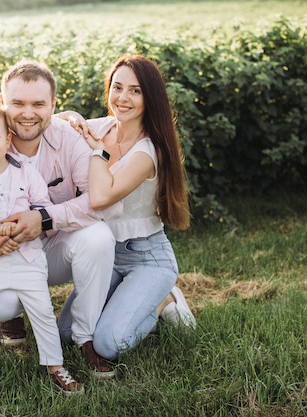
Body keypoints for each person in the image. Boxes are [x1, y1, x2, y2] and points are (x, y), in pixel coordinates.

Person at [0, 59, 120, 379]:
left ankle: (85, 337)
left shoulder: (68, 138)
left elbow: (98, 202)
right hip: (0, 254)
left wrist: (45, 218)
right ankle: (11, 314)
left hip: (52, 248)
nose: (28, 112)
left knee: (98, 237)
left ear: (53, 105)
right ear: (2, 103)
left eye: (38, 104)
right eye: (17, 103)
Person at [57, 54, 196, 362]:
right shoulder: (101, 127)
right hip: (107, 255)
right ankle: (125, 302)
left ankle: (164, 299)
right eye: (117, 87)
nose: (123, 97)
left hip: (147, 257)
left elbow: (100, 197)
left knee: (109, 344)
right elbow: (58, 123)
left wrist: (97, 151)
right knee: (66, 334)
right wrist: (73, 117)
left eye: (135, 90)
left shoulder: (148, 152)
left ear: (150, 98)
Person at [0, 98, 82, 393]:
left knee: (42, 310)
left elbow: (41, 205)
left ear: (7, 139)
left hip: (27, 257)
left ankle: (55, 365)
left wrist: (20, 224)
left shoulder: (23, 171)